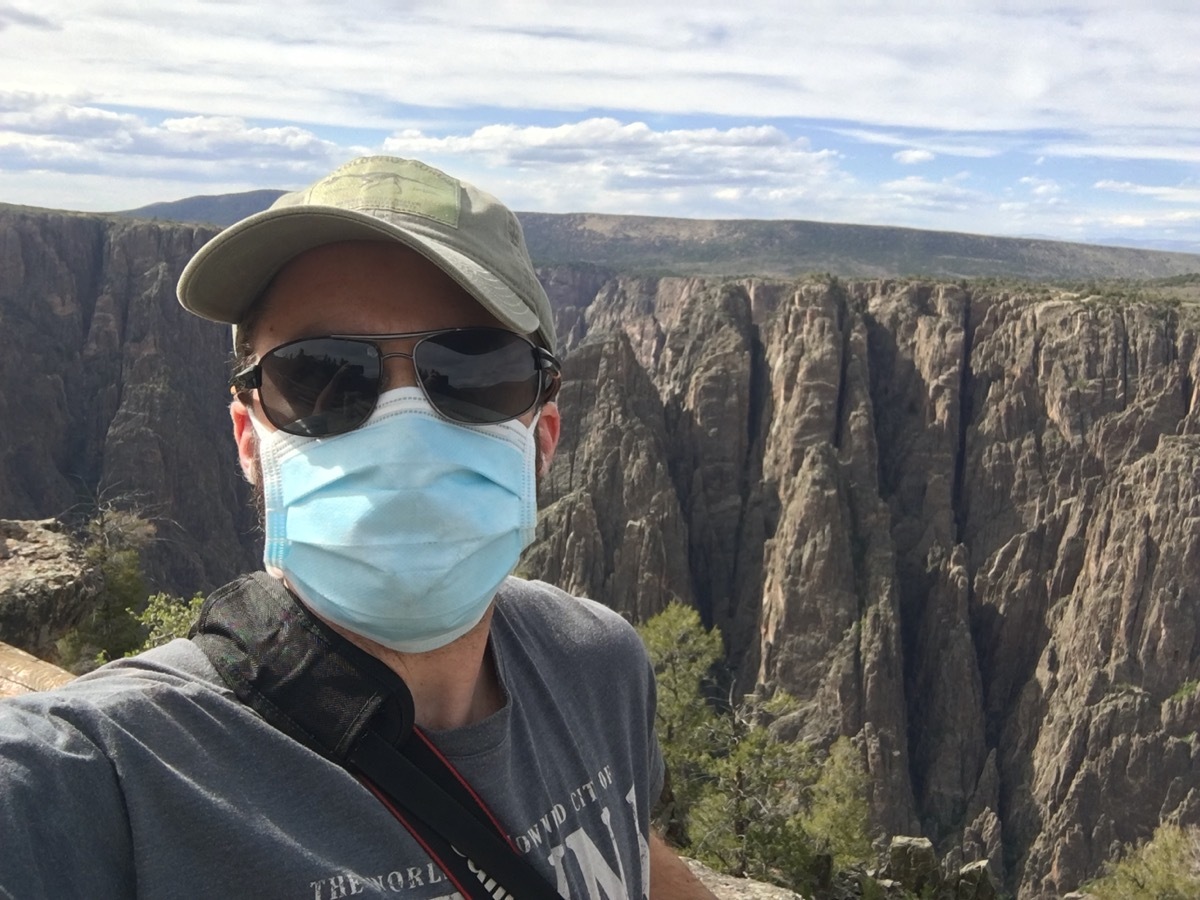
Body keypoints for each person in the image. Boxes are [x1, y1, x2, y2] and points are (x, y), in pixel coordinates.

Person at [0, 156, 719, 899]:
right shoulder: (108, 778)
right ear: (250, 439)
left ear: (543, 436)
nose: (402, 427)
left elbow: (627, 843)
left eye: (472, 368)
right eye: (319, 373)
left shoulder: (598, 665)